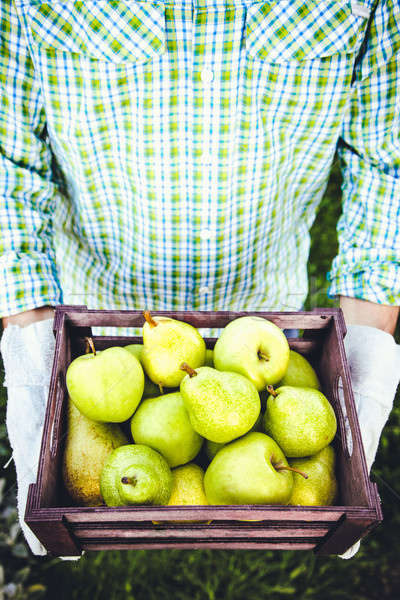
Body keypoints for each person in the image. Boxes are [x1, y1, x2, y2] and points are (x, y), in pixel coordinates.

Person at [1, 0, 399, 557]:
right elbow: (9, 158)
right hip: (102, 305)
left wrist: (371, 354)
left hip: (264, 308)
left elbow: (387, 161)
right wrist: (31, 342)